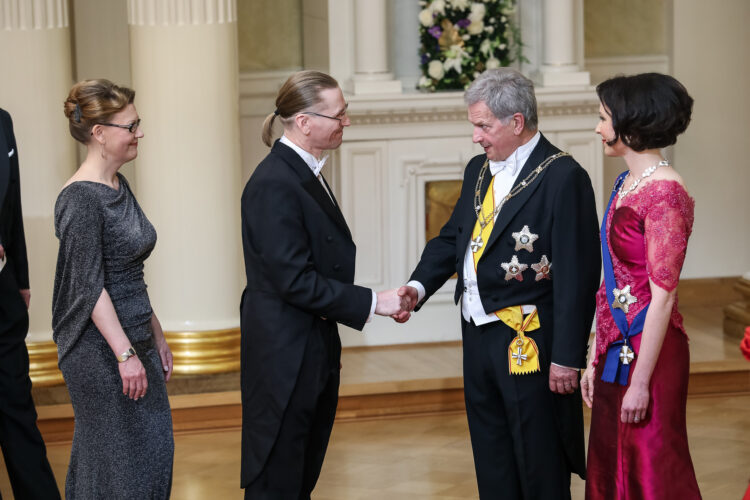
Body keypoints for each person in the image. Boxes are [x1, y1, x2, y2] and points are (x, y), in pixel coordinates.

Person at [397, 68, 601, 499]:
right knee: (491, 453)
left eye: (483, 126)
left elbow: (577, 275)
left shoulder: (564, 177)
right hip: (476, 334)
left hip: (529, 339)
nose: (476, 137)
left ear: (516, 122)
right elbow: (453, 237)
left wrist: (567, 356)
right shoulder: (478, 169)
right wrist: (416, 288)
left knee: (538, 458)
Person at [239, 70, 409, 499]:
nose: (346, 122)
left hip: (308, 344)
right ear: (304, 121)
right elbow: (294, 281)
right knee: (278, 477)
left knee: (300, 474)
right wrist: (377, 302)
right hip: (284, 355)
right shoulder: (274, 182)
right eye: (339, 114)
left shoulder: (302, 171)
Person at [53, 79, 174, 499]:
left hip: (133, 337)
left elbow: (129, 271)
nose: (139, 133)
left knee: (150, 458)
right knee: (119, 468)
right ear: (100, 133)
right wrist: (125, 354)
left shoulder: (118, 185)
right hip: (99, 351)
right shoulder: (80, 199)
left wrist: (154, 334)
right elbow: (89, 286)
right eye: (131, 125)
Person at [581, 72, 700, 499]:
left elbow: (663, 295)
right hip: (617, 345)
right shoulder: (627, 183)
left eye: (603, 118)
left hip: (652, 351)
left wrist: (642, 382)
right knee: (612, 461)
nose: (597, 128)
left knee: (650, 467)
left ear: (632, 123)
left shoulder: (666, 192)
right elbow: (610, 281)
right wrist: (595, 354)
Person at [0, 108, 61, 499]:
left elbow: (12, 202)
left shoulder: (2, 121)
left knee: (17, 405)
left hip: (2, 292)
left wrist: (20, 278)